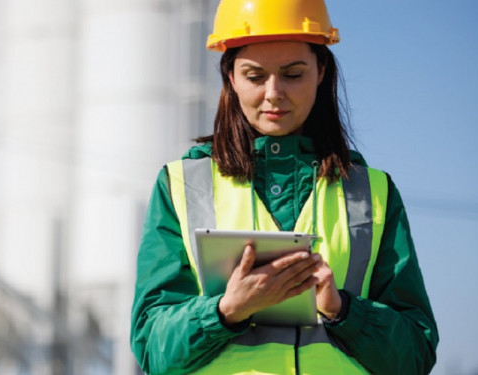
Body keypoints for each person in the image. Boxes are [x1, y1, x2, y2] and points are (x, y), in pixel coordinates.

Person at [130, 0, 439, 374]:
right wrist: (226, 311)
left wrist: (342, 310)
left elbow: (415, 355)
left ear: (321, 71)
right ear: (230, 77)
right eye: (255, 76)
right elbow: (152, 349)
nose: (274, 92)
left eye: (293, 74)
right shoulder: (181, 186)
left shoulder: (372, 193)